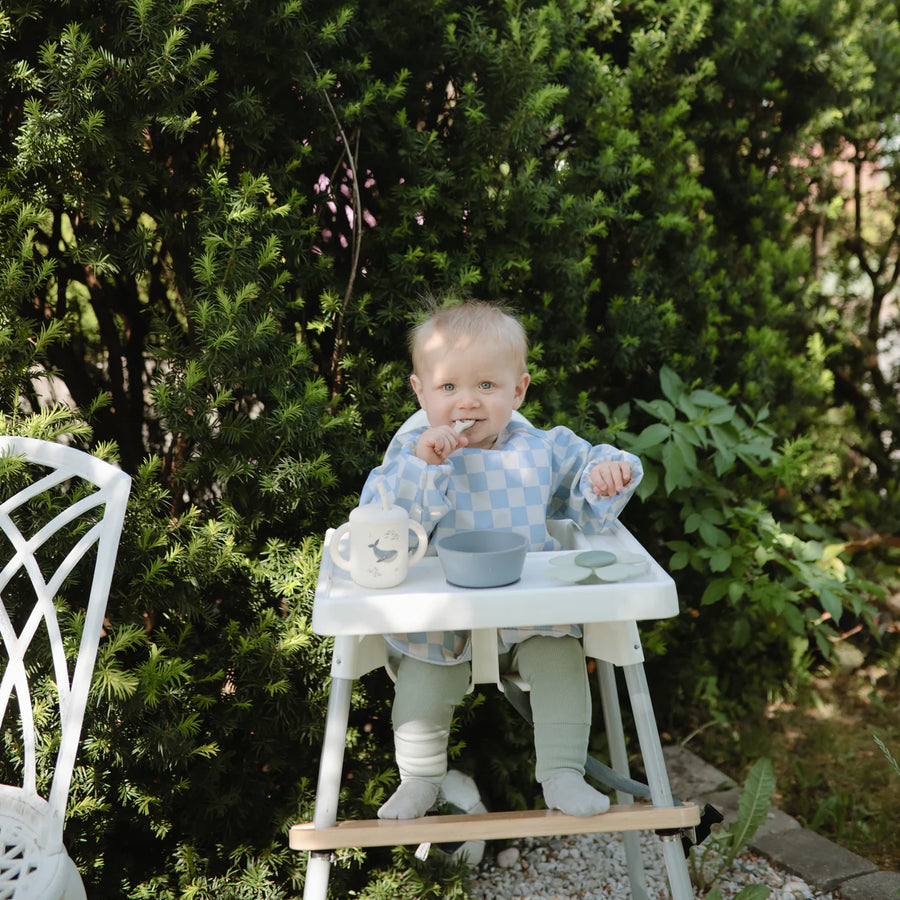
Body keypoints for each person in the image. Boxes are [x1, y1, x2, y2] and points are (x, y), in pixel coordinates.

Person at [358, 298, 642, 820]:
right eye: (448, 388)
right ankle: (419, 779)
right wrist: (425, 467)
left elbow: (588, 468)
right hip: (442, 620)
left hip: (529, 616)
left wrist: (606, 473)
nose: (467, 402)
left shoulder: (540, 449)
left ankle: (561, 773)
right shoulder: (410, 454)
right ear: (420, 392)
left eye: (486, 386)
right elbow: (385, 524)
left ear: (519, 389)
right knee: (424, 679)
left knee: (561, 659)